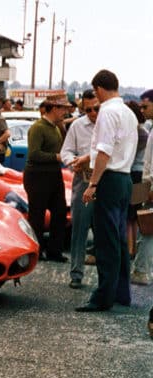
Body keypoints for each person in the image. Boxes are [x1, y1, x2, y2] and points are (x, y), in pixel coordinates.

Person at [76, 69, 138, 312]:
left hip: (109, 180)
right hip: (124, 179)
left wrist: (92, 183)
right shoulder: (128, 113)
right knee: (119, 239)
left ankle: (102, 297)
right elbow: (117, 146)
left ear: (99, 89)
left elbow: (104, 151)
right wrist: (86, 158)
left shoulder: (107, 112)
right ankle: (121, 293)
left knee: (105, 241)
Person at [60, 90, 100, 289]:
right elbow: (66, 150)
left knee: (106, 229)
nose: (93, 113)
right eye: (88, 109)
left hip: (105, 181)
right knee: (80, 229)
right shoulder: (77, 125)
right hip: (83, 180)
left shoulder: (110, 124)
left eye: (96, 108)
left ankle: (107, 277)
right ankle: (76, 272)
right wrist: (72, 162)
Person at [24, 93, 69, 263]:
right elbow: (34, 154)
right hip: (37, 175)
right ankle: (37, 249)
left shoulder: (56, 127)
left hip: (53, 174)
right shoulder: (38, 128)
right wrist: (56, 157)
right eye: (63, 109)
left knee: (60, 212)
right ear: (54, 108)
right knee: (37, 215)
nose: (65, 112)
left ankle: (54, 251)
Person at [132, 89, 153, 286]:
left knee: (145, 227)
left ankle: (141, 271)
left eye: (145, 106)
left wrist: (150, 187)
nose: (142, 110)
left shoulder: (146, 130)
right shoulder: (149, 128)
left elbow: (149, 165)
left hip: (146, 182)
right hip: (143, 180)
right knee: (141, 222)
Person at [126, 101, 149, 259]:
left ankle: (130, 248)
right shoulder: (143, 131)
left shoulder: (138, 132)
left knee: (130, 214)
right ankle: (132, 248)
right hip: (140, 175)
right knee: (134, 215)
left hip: (135, 175)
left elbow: (129, 156)